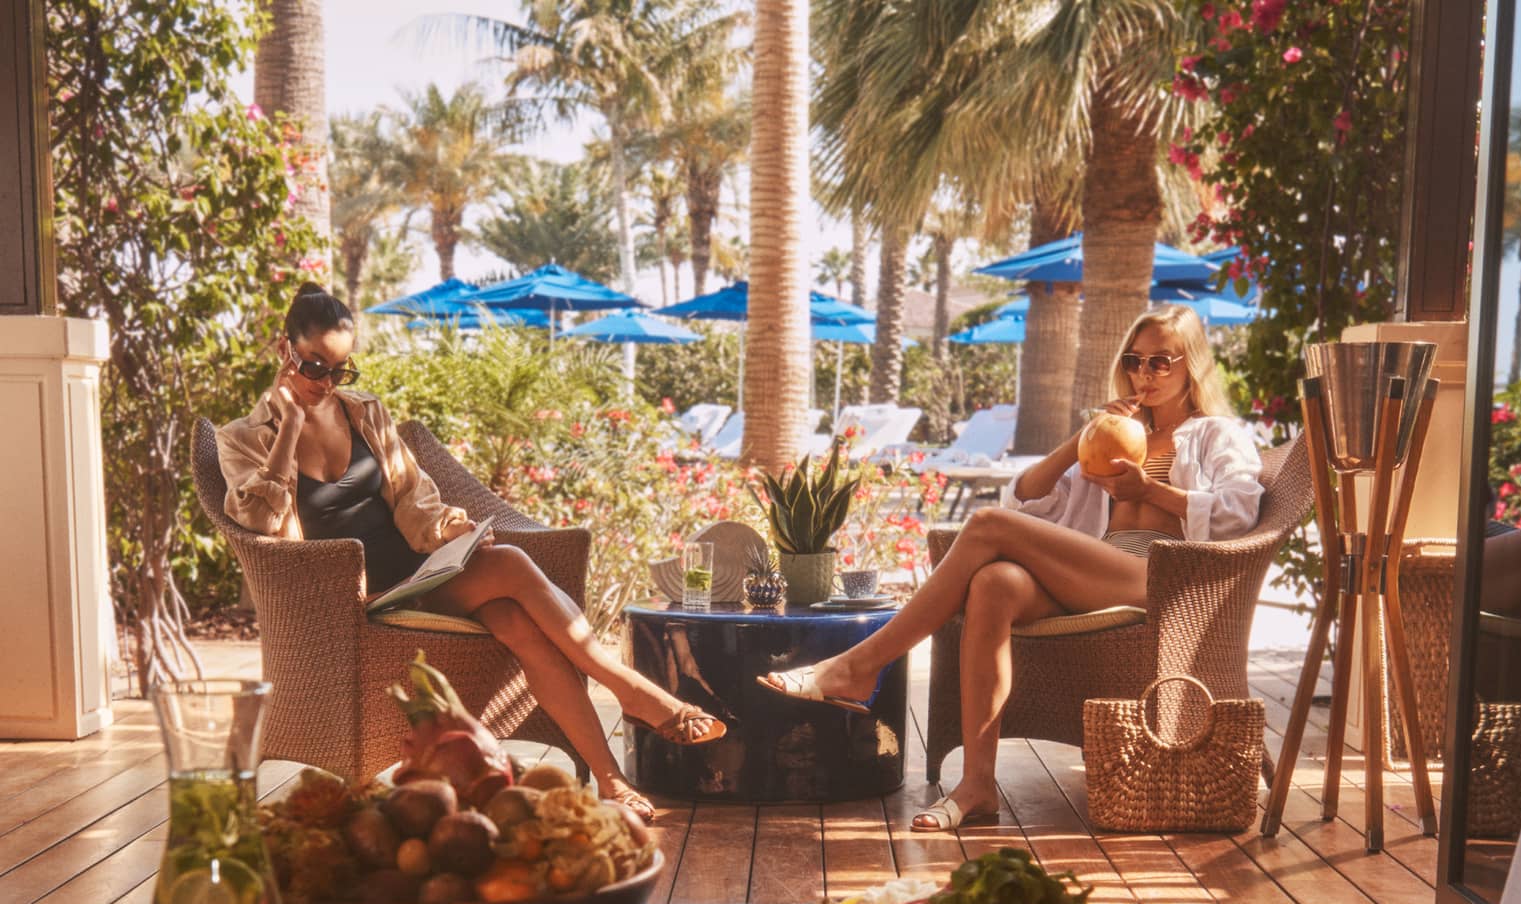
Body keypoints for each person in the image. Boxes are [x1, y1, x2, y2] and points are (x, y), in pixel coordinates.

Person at [216, 282, 726, 820]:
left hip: (417, 577)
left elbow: (415, 502)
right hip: (351, 597)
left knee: (515, 618)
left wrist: (452, 534)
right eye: (314, 365)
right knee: (508, 567)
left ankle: (610, 779)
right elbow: (259, 522)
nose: (325, 383)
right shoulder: (242, 438)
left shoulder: (365, 413)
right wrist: (289, 430)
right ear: (284, 350)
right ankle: (629, 692)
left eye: (340, 371)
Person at [759, 305, 1263, 831]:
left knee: (986, 524)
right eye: (1135, 361)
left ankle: (861, 666)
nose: (1144, 374)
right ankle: (978, 786)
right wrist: (1084, 437)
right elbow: (1027, 496)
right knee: (994, 583)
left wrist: (1151, 490)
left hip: (1161, 576)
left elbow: (1239, 510)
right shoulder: (1116, 435)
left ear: (1192, 366)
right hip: (1095, 566)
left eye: (1162, 362)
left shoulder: (1216, 435)